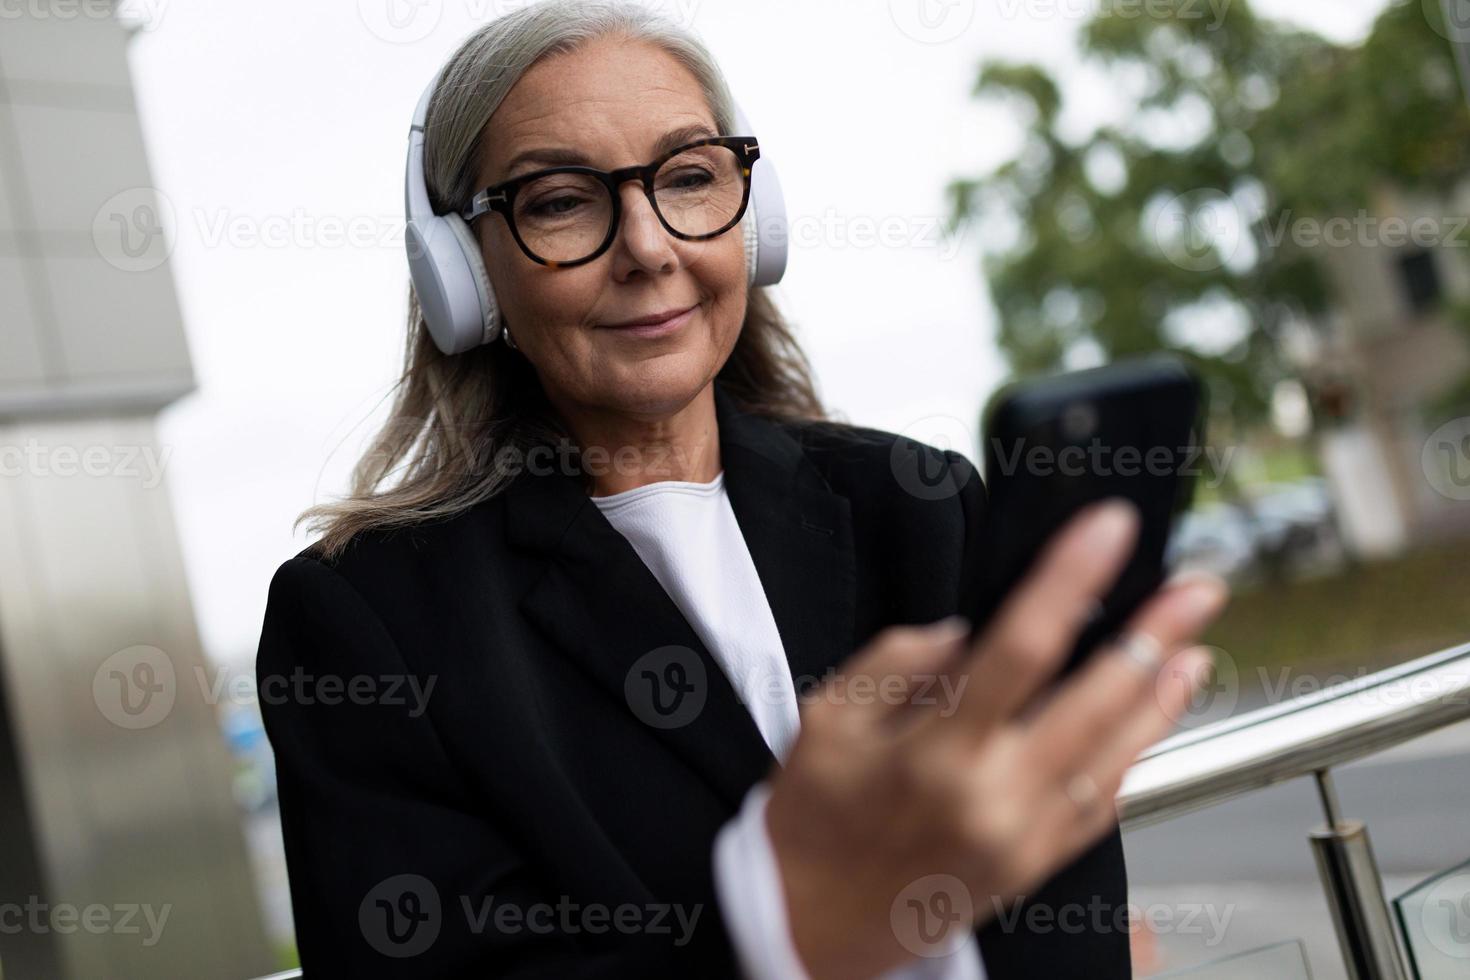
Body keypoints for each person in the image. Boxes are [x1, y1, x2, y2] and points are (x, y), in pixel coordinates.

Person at [255, 2, 1227, 977]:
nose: (648, 245)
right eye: (560, 200)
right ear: (465, 269)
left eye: (687, 178)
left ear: (752, 221)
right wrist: (787, 930)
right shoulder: (365, 619)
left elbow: (1061, 890)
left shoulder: (918, 504)